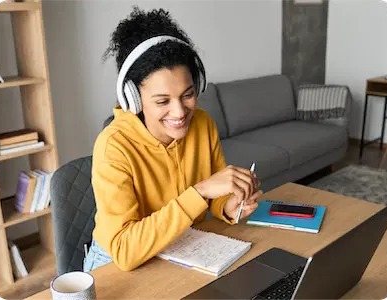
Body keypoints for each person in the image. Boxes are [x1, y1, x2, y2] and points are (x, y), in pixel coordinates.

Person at [83, 6, 263, 273]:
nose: (180, 112)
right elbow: (124, 250)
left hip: (183, 247)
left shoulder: (203, 123)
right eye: (162, 101)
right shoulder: (113, 147)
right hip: (117, 265)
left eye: (188, 94)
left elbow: (214, 198)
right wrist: (200, 191)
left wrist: (228, 205)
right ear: (133, 100)